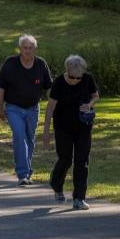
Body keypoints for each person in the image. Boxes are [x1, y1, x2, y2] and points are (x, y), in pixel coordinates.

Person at [43, 54, 99, 210]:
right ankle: (56, 184)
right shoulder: (59, 82)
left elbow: (95, 95)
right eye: (72, 77)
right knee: (65, 159)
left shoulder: (87, 79)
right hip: (63, 127)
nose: (75, 80)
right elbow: (50, 107)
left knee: (82, 161)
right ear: (67, 71)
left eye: (78, 78)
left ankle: (79, 198)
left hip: (84, 126)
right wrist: (46, 131)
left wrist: (89, 104)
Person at [0, 34, 52, 186]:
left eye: (30, 48)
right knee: (19, 135)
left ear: (35, 49)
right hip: (14, 107)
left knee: (30, 140)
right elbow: (0, 87)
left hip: (33, 108)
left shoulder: (41, 64)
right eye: (25, 48)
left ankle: (26, 171)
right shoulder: (10, 63)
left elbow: (49, 88)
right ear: (20, 49)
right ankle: (22, 174)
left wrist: (57, 104)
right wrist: (0, 107)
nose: (27, 51)